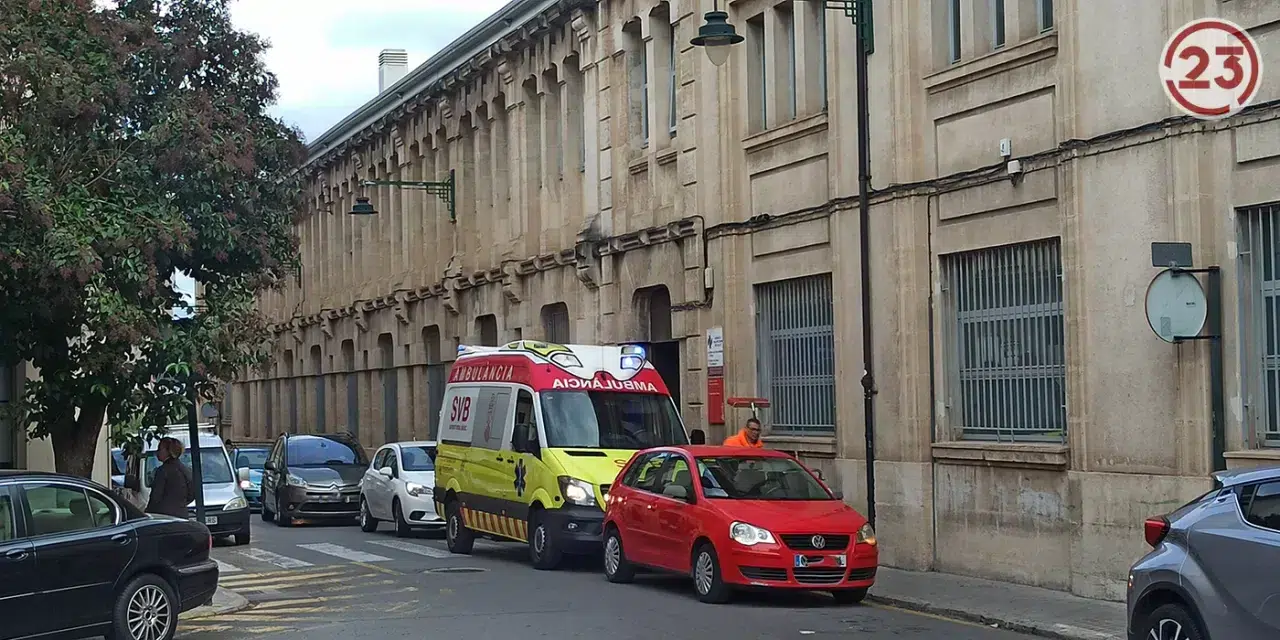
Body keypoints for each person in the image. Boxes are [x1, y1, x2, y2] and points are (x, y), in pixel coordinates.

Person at [145, 437, 196, 518]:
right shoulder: (185, 469)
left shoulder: (163, 470)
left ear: (168, 451)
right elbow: (192, 493)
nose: (157, 452)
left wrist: (148, 512)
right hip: (182, 515)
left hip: (164, 516)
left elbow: (155, 497)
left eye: (160, 449)